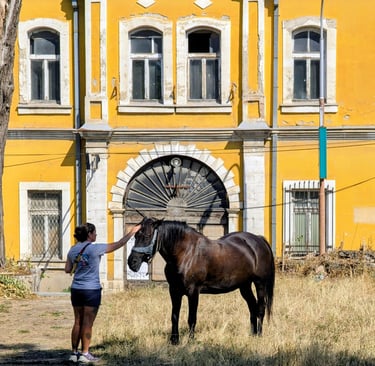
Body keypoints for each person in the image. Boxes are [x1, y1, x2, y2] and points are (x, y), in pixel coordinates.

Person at [64, 222, 140, 363]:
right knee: (88, 323)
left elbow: (67, 269)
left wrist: (80, 266)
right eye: (94, 233)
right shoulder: (96, 248)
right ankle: (85, 353)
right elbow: (119, 243)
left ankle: (74, 353)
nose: (96, 235)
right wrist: (132, 232)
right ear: (89, 234)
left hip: (76, 289)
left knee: (77, 321)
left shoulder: (73, 250)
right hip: (91, 290)